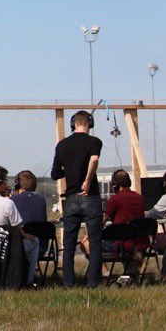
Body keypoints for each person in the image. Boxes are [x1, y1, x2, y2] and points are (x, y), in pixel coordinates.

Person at [51, 109, 103, 288]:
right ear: (89, 123)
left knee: (69, 244)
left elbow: (55, 173)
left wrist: (70, 170)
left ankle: (68, 283)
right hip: (90, 196)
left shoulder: (62, 145)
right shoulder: (94, 141)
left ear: (73, 124)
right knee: (94, 242)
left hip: (71, 198)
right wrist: (87, 180)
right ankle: (93, 283)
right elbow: (94, 159)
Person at [102, 169, 148, 282]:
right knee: (130, 268)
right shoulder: (140, 198)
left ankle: (106, 276)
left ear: (115, 185)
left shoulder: (114, 199)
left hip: (122, 244)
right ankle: (128, 278)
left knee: (88, 244)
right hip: (140, 243)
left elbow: (102, 222)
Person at [11, 170, 46, 285]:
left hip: (20, 246)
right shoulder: (41, 200)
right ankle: (28, 281)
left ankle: (25, 280)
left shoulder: (12, 201)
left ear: (17, 184)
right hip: (42, 247)